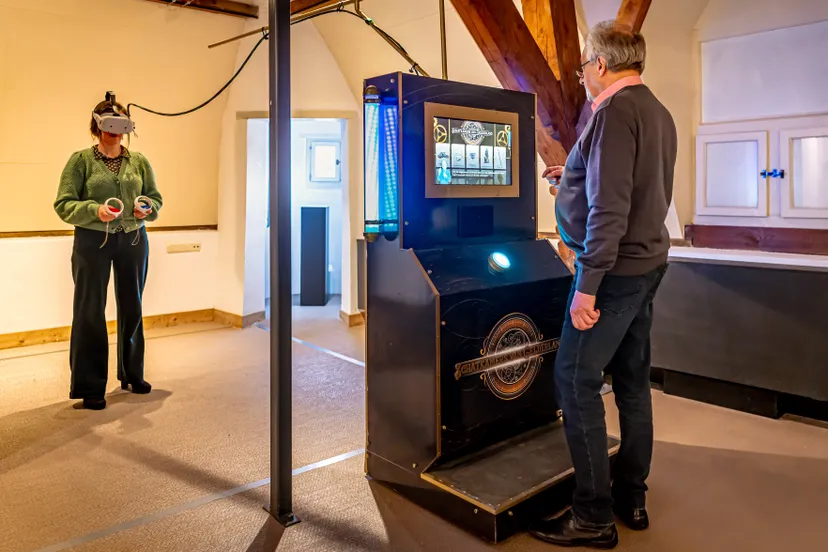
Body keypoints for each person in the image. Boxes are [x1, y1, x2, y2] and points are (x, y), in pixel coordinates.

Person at [530, 21, 677, 549]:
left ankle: (592, 516)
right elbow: (631, 190)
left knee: (574, 379)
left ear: (598, 65)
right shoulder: (655, 110)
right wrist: (566, 178)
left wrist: (587, 286)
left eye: (582, 66)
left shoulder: (613, 114)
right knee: (633, 381)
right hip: (646, 266)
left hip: (611, 274)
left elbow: (611, 210)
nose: (582, 75)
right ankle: (629, 495)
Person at [55, 98, 163, 411]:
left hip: (132, 240)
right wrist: (93, 210)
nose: (115, 132)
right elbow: (63, 204)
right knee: (90, 310)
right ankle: (90, 386)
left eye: (122, 125)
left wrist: (147, 208)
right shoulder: (81, 161)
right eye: (109, 124)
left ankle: (132, 373)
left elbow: (154, 199)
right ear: (98, 124)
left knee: (133, 306)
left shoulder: (139, 161)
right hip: (92, 242)